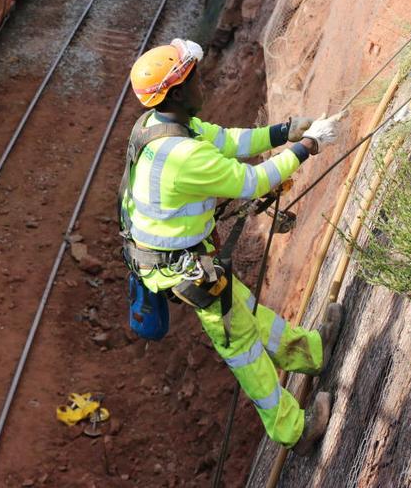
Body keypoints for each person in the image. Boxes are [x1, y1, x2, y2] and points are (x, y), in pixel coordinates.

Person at [120, 38, 345, 455]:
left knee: (246, 311)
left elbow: (228, 141)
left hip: (175, 257)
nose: (201, 84)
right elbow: (252, 182)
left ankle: (310, 351)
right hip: (181, 267)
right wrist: (307, 146)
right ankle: (294, 431)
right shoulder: (182, 154)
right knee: (241, 346)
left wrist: (285, 131)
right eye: (194, 79)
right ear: (177, 92)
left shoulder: (161, 125)